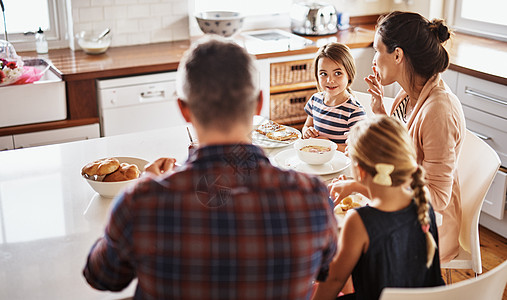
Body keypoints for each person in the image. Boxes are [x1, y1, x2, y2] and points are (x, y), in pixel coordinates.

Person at [83, 36, 338, 300]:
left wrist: (140, 188)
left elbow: (101, 276)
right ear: (259, 104)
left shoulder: (142, 202)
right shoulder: (312, 196)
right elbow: (323, 268)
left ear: (184, 110)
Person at [332, 11, 466, 263]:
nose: (373, 59)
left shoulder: (439, 111)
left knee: (347, 241)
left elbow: (437, 198)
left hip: (429, 228)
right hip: (405, 210)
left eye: (376, 50)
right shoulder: (407, 96)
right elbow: (404, 150)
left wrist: (364, 187)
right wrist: (380, 112)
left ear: (397, 55)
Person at [313, 116, 445, 300]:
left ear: (359, 170)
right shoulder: (423, 203)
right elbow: (387, 193)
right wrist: (354, 186)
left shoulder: (358, 221)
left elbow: (334, 279)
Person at [302, 42, 366, 152]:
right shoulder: (315, 100)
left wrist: (329, 145)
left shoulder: (355, 111)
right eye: (323, 74)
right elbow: (306, 126)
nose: (330, 80)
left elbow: (359, 150)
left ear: (349, 74)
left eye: (337, 73)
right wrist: (307, 132)